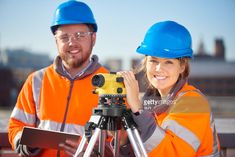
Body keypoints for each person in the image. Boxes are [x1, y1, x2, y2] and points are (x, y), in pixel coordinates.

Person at [8, 1, 108, 156]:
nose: (72, 43)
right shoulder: (36, 80)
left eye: (80, 35)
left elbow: (121, 141)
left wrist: (91, 152)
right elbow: (16, 125)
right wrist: (28, 143)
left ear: (93, 38)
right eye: (64, 37)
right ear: (56, 40)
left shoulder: (110, 84)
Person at [119, 21, 221, 156]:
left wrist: (137, 109)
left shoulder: (193, 102)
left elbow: (171, 152)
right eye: (153, 60)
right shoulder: (151, 104)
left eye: (168, 62)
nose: (159, 69)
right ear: (145, 63)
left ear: (182, 67)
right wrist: (122, 138)